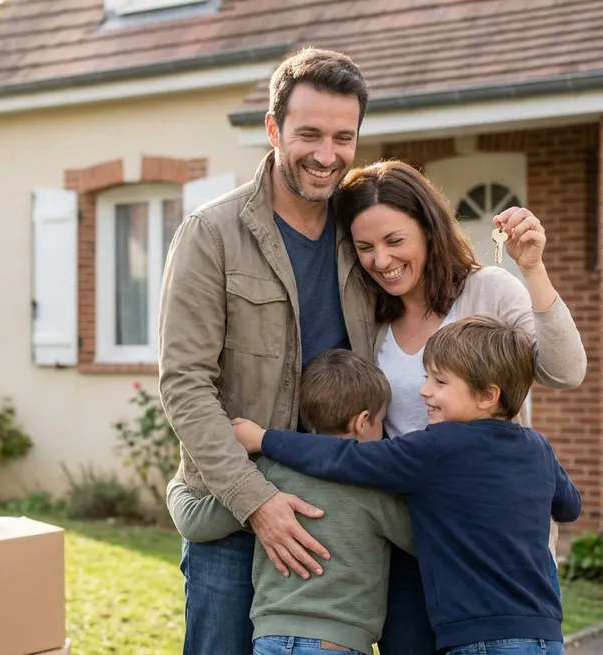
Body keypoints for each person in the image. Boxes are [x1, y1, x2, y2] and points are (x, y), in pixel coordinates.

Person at [157, 47, 384, 655]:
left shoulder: (362, 233)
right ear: (273, 128)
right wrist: (257, 504)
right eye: (309, 134)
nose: (327, 155)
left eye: (344, 137)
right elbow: (185, 383)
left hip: (337, 512)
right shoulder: (212, 234)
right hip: (233, 510)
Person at [325, 159, 588, 636]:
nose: (381, 261)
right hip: (408, 545)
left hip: (496, 554)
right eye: (365, 247)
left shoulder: (487, 290)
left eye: (395, 241)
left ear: (429, 229)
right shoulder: (368, 316)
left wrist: (533, 269)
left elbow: (565, 371)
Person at [233, 314, 583, 655]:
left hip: (480, 637)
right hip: (544, 633)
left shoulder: (436, 446)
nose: (424, 390)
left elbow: (345, 458)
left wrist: (263, 439)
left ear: (488, 395)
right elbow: (570, 505)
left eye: (440, 382)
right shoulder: (538, 448)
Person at [165, 349, 415, 655]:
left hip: (271, 640)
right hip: (336, 644)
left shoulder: (266, 477)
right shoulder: (375, 488)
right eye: (382, 420)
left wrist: (177, 486)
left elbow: (195, 524)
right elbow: (422, 538)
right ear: (363, 422)